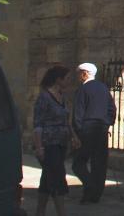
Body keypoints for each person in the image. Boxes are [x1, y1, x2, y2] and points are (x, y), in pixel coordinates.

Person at [32, 65, 79, 216]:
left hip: (61, 143)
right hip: (48, 143)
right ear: (58, 79)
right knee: (58, 177)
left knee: (47, 179)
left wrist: (73, 136)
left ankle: (40, 212)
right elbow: (38, 124)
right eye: (67, 78)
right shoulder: (44, 97)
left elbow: (66, 121)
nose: (69, 81)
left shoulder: (62, 97)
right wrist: (39, 147)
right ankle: (62, 212)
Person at [71, 62, 115, 204]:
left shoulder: (82, 90)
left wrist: (77, 132)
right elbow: (112, 109)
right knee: (99, 163)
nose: (78, 77)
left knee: (78, 162)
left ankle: (89, 185)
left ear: (84, 74)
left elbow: (78, 114)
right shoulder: (103, 88)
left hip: (87, 129)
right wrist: (107, 123)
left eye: (79, 74)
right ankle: (95, 194)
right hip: (101, 129)